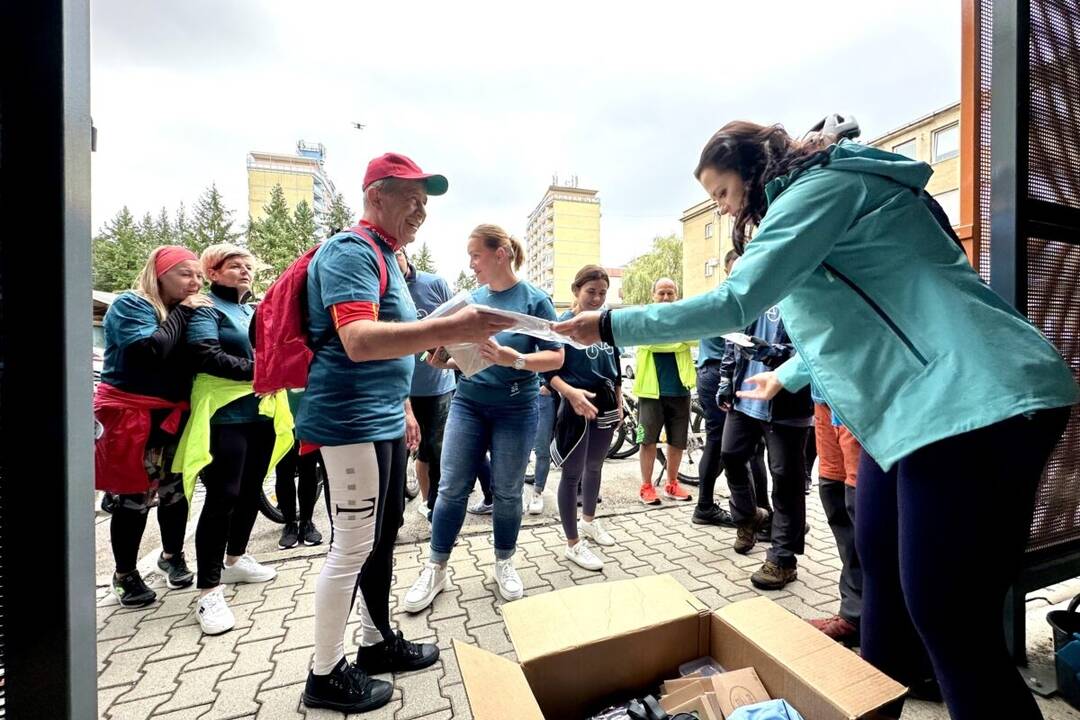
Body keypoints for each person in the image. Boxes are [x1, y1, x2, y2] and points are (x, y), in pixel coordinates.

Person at [554, 121, 1078, 720]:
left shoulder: (819, 190)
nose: (723, 209)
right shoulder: (810, 205)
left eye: (722, 192)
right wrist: (789, 375)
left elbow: (735, 301)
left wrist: (611, 324)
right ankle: (874, 705)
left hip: (972, 398)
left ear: (752, 171)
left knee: (949, 617)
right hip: (909, 415)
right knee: (878, 569)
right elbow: (850, 321)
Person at [295, 154, 515, 714]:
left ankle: (374, 644)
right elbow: (360, 340)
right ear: (376, 196)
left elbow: (392, 341)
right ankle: (324, 675)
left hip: (384, 415)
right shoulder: (350, 250)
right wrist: (450, 326)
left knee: (384, 533)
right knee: (350, 547)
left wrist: (434, 355)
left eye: (426, 202)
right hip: (350, 420)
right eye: (411, 198)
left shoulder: (389, 258)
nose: (421, 211)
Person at [404, 224, 564, 611]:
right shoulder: (470, 302)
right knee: (452, 488)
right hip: (469, 404)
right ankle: (436, 567)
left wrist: (516, 359)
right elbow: (460, 356)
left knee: (508, 491)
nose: (472, 264)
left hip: (516, 407)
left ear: (501, 253)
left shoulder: (534, 300)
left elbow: (557, 357)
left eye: (476, 255)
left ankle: (504, 562)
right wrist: (443, 358)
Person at [182, 243, 287, 636]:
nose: (244, 271)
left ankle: (236, 559)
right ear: (213, 272)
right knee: (223, 497)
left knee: (250, 491)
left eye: (248, 266)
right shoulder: (205, 308)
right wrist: (262, 372)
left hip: (260, 412)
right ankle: (208, 592)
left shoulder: (251, 310)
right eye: (234, 266)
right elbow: (204, 355)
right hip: (224, 417)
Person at [94, 246, 208, 606]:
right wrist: (186, 312)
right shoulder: (132, 305)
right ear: (160, 274)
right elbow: (150, 350)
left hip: (173, 415)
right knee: (134, 498)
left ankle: (172, 556)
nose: (195, 282)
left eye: (199, 276)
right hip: (133, 414)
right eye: (186, 274)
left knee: (176, 492)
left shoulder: (184, 310)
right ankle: (124, 573)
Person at [716, 306, 812, 590]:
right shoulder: (754, 293)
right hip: (744, 397)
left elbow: (816, 348)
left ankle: (783, 560)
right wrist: (725, 380)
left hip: (789, 404)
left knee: (786, 481)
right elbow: (733, 342)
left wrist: (772, 352)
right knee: (730, 456)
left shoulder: (805, 291)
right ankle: (748, 517)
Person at [548, 265, 622, 571]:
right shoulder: (562, 325)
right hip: (575, 406)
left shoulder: (605, 324)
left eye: (602, 293)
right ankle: (573, 543)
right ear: (576, 291)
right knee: (572, 472)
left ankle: (589, 522)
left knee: (595, 466)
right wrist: (571, 394)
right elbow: (549, 373)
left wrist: (619, 401)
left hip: (604, 403)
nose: (596, 298)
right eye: (591, 291)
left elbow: (615, 365)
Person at [395, 247, 456, 521]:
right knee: (401, 454)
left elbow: (455, 324)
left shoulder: (434, 283)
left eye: (397, 253)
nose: (392, 258)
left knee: (436, 449)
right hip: (399, 390)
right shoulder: (380, 288)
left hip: (437, 386)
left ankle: (435, 510)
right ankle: (400, 516)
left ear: (406, 254)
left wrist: (445, 353)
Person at [633, 278, 695, 506]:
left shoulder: (684, 318)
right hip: (650, 392)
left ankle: (672, 483)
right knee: (646, 440)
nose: (666, 298)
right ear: (653, 295)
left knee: (677, 441)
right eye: (661, 293)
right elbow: (648, 343)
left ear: (676, 295)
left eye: (670, 293)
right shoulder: (644, 318)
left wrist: (669, 339)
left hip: (680, 389)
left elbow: (695, 338)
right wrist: (678, 340)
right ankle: (646, 486)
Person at [807, 401, 862, 646]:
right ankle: (852, 612)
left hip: (855, 400)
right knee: (833, 495)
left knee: (861, 509)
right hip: (824, 400)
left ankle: (870, 617)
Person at [692, 249, 739, 528]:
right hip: (718, 374)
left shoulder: (722, 296)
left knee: (722, 442)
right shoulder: (728, 297)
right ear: (726, 270)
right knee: (721, 442)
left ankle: (711, 505)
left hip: (714, 372)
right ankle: (706, 506)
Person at [275, 389, 323, 549]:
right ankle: (289, 524)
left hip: (307, 413)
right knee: (283, 471)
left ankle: (306, 522)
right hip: (280, 416)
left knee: (308, 470)